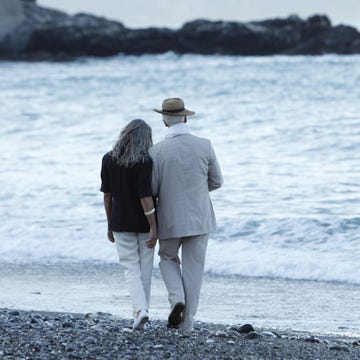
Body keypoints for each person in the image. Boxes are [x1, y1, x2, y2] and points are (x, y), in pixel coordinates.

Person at [150, 97, 223, 331]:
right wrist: (197, 193)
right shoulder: (205, 144)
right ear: (184, 118)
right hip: (200, 217)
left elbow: (152, 189)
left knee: (167, 258)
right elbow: (217, 181)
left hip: (170, 217)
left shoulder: (156, 151)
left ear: (164, 122)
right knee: (194, 269)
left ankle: (177, 298)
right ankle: (187, 323)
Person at [100, 119, 158, 330]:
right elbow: (145, 197)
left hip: (120, 221)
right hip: (144, 222)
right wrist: (154, 226)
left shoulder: (108, 159)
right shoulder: (145, 161)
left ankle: (140, 311)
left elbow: (107, 196)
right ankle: (142, 311)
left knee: (130, 269)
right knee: (145, 269)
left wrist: (109, 223)